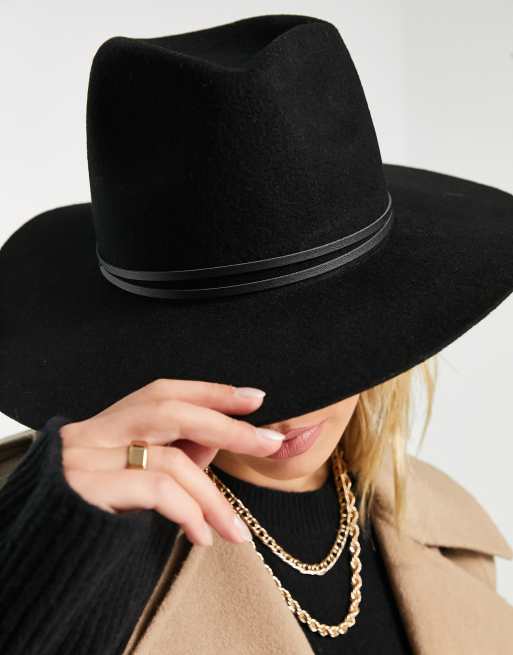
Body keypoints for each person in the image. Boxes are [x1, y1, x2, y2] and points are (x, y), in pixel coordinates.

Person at [1, 13, 512, 655]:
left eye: (324, 340)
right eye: (237, 352)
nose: (288, 405)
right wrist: (43, 559)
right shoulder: (55, 531)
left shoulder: (445, 537)